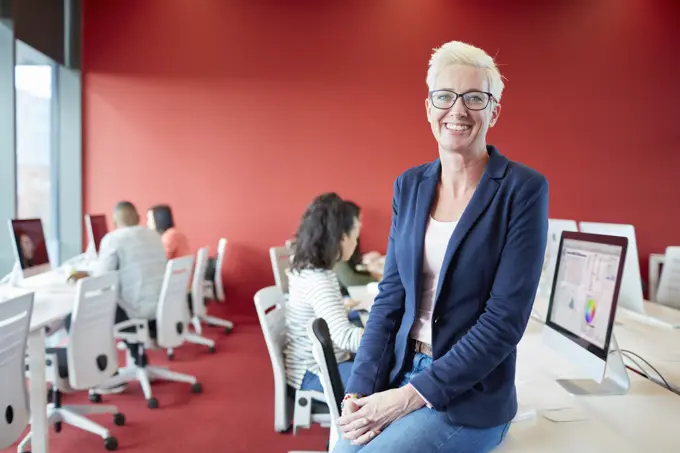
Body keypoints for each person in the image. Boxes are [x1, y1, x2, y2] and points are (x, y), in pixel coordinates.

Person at [333, 41, 549, 453]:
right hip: (397, 370)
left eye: (474, 98)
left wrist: (406, 399)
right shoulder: (410, 185)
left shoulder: (523, 189)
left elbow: (504, 320)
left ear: (494, 111)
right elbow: (390, 298)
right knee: (342, 447)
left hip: (470, 396)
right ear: (429, 107)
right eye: (445, 96)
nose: (458, 110)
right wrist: (358, 390)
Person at [66, 201, 168, 390]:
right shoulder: (153, 235)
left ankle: (101, 375)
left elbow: (102, 278)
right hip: (162, 309)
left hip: (138, 312)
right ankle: (138, 359)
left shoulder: (114, 239)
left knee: (74, 317)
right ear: (137, 218)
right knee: (119, 300)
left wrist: (86, 274)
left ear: (114, 221)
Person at [284, 193, 364, 393]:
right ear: (342, 237)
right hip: (317, 373)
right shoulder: (319, 279)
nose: (356, 242)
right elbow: (346, 339)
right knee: (388, 376)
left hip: (310, 366)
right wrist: (392, 334)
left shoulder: (308, 267)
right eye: (356, 234)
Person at [333, 201, 378, 295]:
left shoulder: (350, 241)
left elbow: (351, 269)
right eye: (358, 220)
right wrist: (377, 279)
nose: (360, 225)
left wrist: (369, 274)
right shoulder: (336, 246)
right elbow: (350, 280)